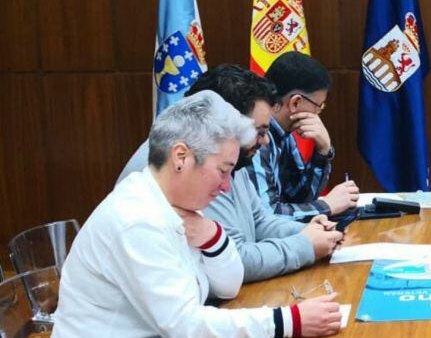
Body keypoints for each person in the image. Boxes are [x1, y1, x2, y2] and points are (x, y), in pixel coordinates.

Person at [42, 92, 341, 338]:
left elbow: (229, 285)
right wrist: (288, 321)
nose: (227, 186)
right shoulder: (137, 219)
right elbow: (185, 325)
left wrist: (214, 238)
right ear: (181, 156)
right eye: (223, 170)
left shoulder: (175, 205)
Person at [118, 65, 342, 282]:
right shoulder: (194, 159)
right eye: (260, 131)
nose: (265, 141)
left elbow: (259, 221)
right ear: (225, 121)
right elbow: (235, 260)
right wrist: (306, 246)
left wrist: (311, 231)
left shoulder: (230, 154)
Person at [251, 52, 360, 220]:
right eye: (318, 105)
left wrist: (323, 151)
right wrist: (327, 206)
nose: (318, 113)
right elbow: (267, 215)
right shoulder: (257, 139)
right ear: (295, 102)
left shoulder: (285, 132)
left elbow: (300, 197)